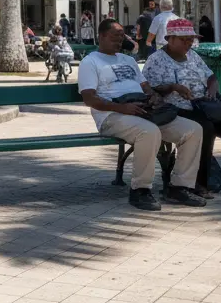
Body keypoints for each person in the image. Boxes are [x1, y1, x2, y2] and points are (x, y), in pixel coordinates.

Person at [78, 19, 205, 211]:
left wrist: (153, 97)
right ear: (101, 36)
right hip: (111, 116)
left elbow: (145, 87)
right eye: (114, 36)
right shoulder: (90, 62)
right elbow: (89, 99)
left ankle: (179, 187)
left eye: (122, 37)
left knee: (192, 130)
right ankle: (140, 190)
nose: (119, 41)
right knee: (149, 132)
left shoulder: (128, 60)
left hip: (143, 111)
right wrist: (123, 108)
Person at [142, 17, 221, 198]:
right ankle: (200, 183)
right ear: (169, 39)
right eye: (184, 40)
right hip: (176, 108)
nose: (188, 43)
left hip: (203, 104)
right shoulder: (155, 60)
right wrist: (174, 87)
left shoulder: (193, 55)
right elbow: (151, 88)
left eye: (191, 39)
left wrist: (212, 89)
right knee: (205, 128)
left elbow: (210, 76)